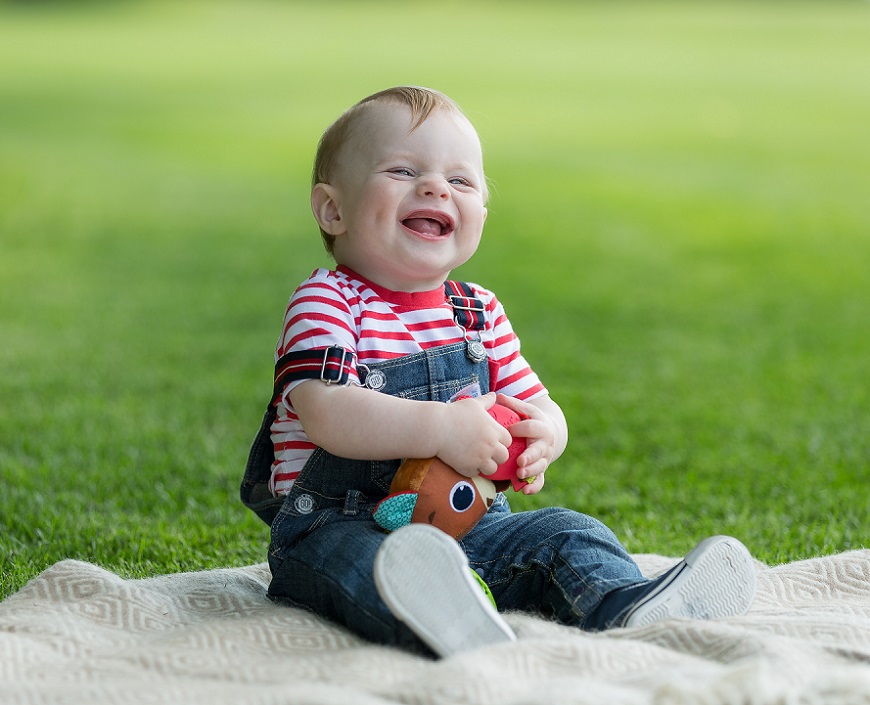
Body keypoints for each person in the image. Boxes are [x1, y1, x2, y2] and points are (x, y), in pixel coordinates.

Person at [241, 86, 757, 659]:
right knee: (371, 567)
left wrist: (547, 435)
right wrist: (440, 428)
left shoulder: (477, 311)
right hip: (335, 529)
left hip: (471, 524)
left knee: (565, 531)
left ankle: (625, 603)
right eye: (404, 170)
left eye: (460, 181)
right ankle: (446, 618)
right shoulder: (328, 300)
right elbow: (327, 412)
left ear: (481, 211)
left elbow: (535, 403)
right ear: (332, 209)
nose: (435, 187)